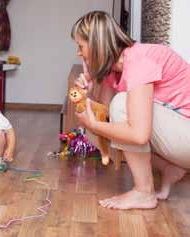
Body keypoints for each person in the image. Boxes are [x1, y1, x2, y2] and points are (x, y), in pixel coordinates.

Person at [71, 11, 190, 209]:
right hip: (180, 135)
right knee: (99, 128)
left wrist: (93, 123)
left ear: (95, 45)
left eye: (80, 46)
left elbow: (138, 134)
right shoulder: (114, 70)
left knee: (121, 106)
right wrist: (87, 95)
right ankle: (169, 168)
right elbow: (106, 120)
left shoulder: (138, 61)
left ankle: (144, 193)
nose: (78, 53)